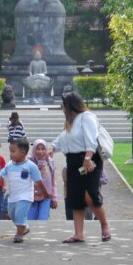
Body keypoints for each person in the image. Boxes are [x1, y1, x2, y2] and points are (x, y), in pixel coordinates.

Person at [52, 92, 111, 243]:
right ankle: (78, 233)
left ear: (70, 105)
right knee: (75, 197)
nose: (62, 108)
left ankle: (104, 225)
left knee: (90, 196)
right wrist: (52, 148)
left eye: (63, 105)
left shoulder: (87, 117)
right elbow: (62, 139)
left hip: (89, 160)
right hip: (73, 161)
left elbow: (91, 139)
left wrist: (87, 158)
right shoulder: (71, 122)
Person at [0, 138, 42, 243]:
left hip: (25, 196)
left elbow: (38, 181)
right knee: (12, 214)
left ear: (23, 153)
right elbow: (1, 174)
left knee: (20, 213)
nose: (10, 154)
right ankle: (24, 226)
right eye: (10, 151)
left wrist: (44, 192)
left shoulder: (31, 166)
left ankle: (19, 234)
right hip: (13, 196)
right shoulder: (9, 165)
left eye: (13, 151)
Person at [28, 138, 57, 220]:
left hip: (46, 196)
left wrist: (54, 198)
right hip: (31, 197)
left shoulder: (50, 163)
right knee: (31, 220)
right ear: (34, 150)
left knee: (43, 220)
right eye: (37, 149)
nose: (40, 152)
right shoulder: (28, 163)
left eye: (43, 149)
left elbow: (53, 181)